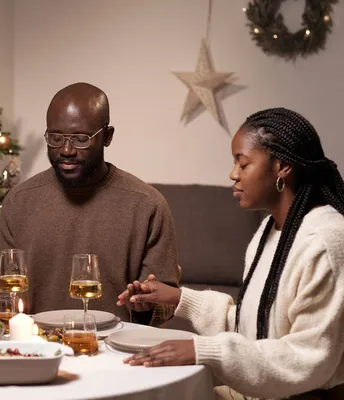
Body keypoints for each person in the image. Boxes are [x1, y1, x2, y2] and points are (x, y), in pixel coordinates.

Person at [118, 108, 344, 399]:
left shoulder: (325, 240)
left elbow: (308, 357)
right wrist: (179, 299)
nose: (233, 175)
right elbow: (255, 330)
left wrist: (204, 351)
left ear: (282, 166)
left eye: (243, 163)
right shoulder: (269, 231)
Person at [0, 82, 179, 325]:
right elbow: (13, 293)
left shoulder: (147, 205)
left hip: (114, 352)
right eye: (55, 137)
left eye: (81, 139)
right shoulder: (20, 201)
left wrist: (149, 302)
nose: (66, 149)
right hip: (36, 348)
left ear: (107, 136)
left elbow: (166, 303)